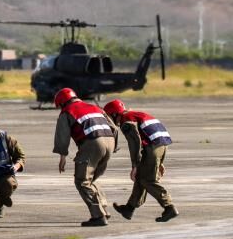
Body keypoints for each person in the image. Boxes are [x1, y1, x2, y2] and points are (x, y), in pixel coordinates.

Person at [104, 99, 178, 222]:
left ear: (115, 114)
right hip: (162, 145)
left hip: (152, 147)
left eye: (109, 116)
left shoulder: (125, 120)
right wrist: (160, 161)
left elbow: (135, 142)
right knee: (141, 177)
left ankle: (169, 207)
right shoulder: (137, 114)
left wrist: (135, 165)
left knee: (147, 180)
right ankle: (129, 208)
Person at [52, 87, 117, 227]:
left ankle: (98, 216)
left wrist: (62, 156)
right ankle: (104, 209)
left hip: (93, 143)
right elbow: (115, 128)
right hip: (109, 141)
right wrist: (113, 146)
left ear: (62, 103)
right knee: (92, 178)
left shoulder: (67, 111)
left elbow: (62, 137)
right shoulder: (95, 107)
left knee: (82, 180)